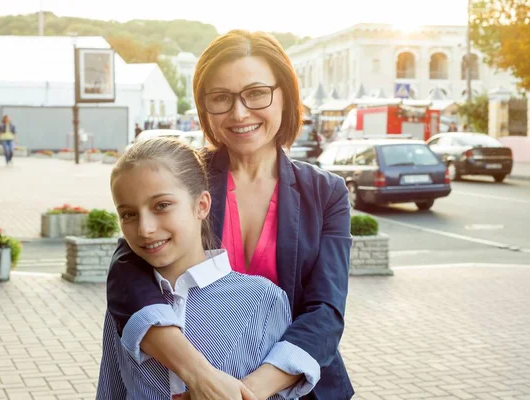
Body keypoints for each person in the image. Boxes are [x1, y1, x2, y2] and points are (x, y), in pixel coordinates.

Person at [106, 30, 353, 400]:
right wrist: (200, 374)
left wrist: (241, 393)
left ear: (285, 93)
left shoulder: (326, 192)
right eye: (220, 98)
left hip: (298, 388)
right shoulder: (185, 175)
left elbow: (326, 311)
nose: (239, 113)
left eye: (256, 93)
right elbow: (127, 270)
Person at [97, 138, 319, 399]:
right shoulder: (124, 306)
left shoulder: (264, 299)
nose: (145, 228)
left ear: (201, 205)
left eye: (162, 206)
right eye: (129, 214)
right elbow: (110, 391)